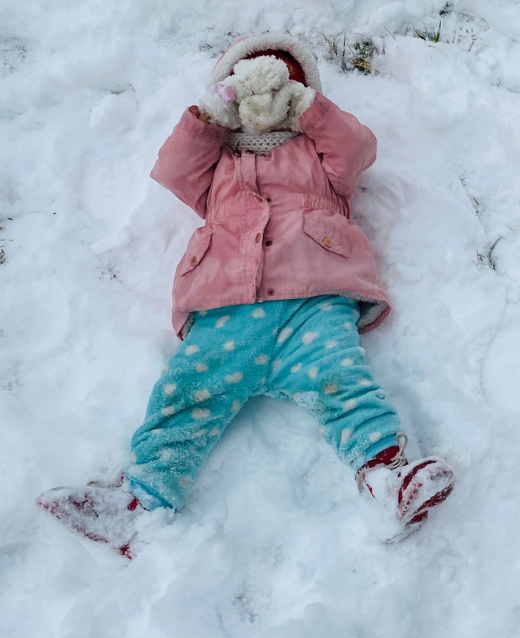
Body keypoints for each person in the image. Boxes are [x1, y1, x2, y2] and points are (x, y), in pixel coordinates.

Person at [38, 33, 454, 556]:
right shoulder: (218, 166)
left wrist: (311, 110)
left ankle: (386, 477)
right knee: (185, 393)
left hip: (314, 298)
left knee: (343, 384)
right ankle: (139, 503)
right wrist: (209, 118)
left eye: (287, 85)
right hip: (227, 309)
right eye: (244, 84)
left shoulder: (319, 156)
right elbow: (172, 170)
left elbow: (357, 148)